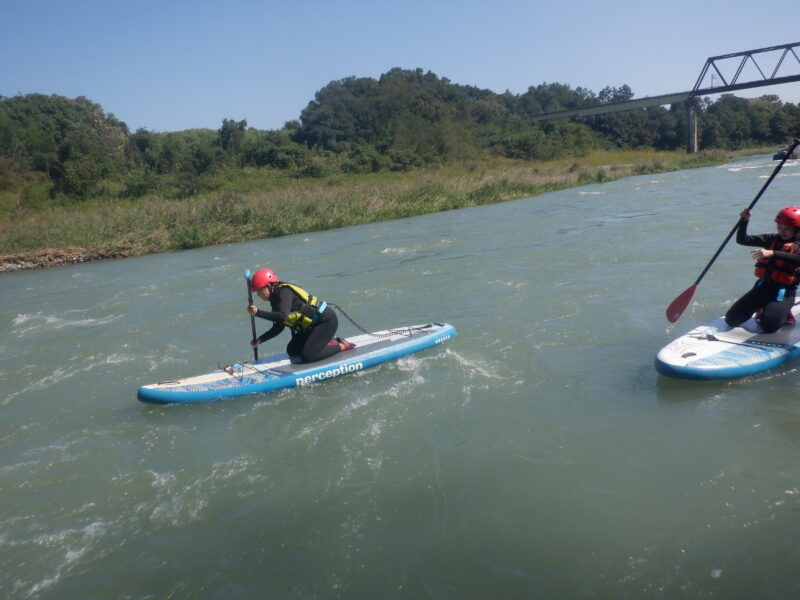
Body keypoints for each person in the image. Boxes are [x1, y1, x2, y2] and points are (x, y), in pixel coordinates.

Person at [247, 268, 355, 363]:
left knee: (308, 355)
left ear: (270, 286)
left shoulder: (284, 292)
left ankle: (340, 345)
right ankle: (328, 341)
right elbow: (279, 327)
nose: (258, 294)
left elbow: (283, 316)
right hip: (311, 327)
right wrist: (260, 340)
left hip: (325, 321)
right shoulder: (274, 299)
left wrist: (258, 313)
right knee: (292, 350)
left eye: (260, 290)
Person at [725, 206, 800, 332]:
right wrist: (744, 221)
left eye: (787, 229)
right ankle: (761, 308)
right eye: (780, 227)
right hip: (762, 287)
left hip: (783, 292)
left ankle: (785, 312)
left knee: (769, 326)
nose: (782, 231)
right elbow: (742, 240)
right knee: (731, 320)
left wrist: (772, 253)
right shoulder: (771, 239)